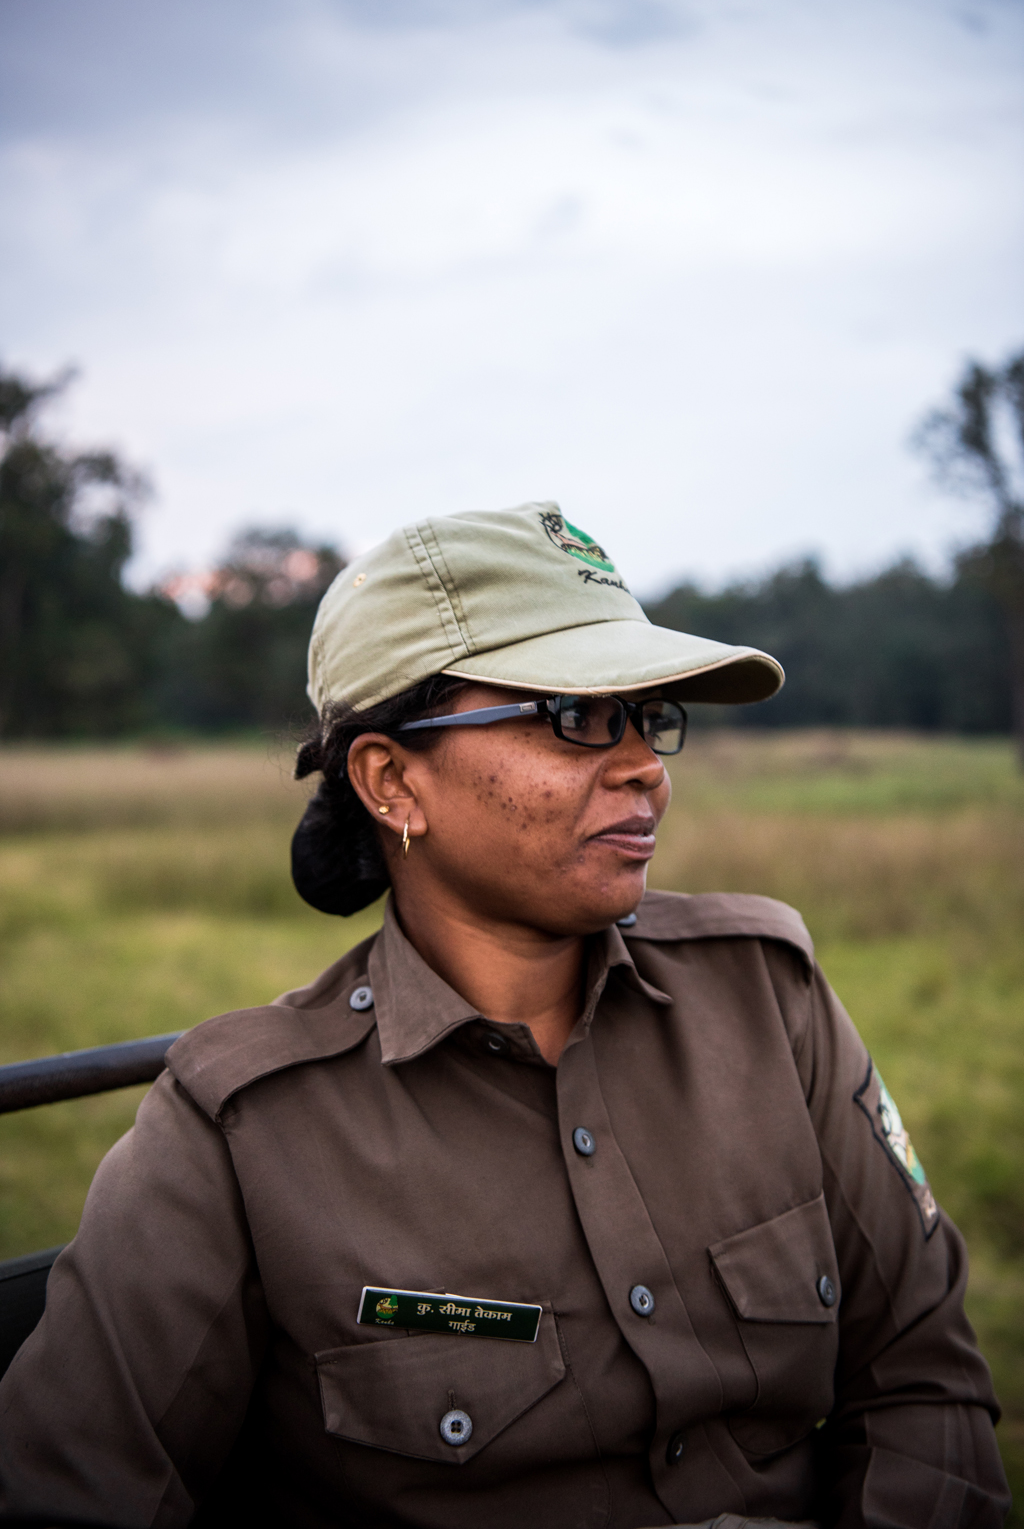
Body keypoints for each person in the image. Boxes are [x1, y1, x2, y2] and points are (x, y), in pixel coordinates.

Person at [0, 503, 1009, 1528]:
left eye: (647, 716)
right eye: (573, 715)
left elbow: (922, 1378)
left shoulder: (766, 996)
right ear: (393, 780)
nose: (643, 767)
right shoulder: (237, 1136)